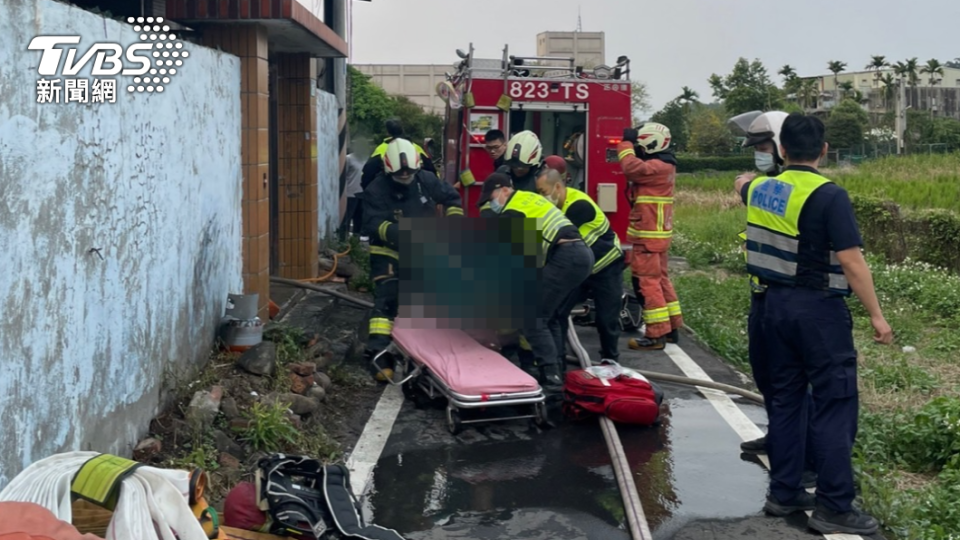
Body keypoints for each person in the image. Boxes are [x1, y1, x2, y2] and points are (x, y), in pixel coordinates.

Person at [736, 113, 892, 534]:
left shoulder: (762, 188)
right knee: (834, 402)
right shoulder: (829, 195)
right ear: (824, 150)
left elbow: (744, 186)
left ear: (781, 149)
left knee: (786, 400)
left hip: (770, 307)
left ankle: (784, 492)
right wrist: (877, 315)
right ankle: (834, 505)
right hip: (817, 311)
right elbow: (851, 261)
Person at [731, 111, 818, 490]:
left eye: (765, 148)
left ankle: (807, 457)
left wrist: (746, 186)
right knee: (767, 374)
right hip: (762, 295)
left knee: (795, 384)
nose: (760, 155)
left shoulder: (794, 188)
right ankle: (780, 437)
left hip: (792, 299)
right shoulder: (768, 183)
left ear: (784, 148)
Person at [477, 173, 594, 388]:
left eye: (490, 197)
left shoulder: (513, 212)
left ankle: (552, 382)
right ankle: (557, 372)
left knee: (532, 318)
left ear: (504, 189)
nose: (491, 203)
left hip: (566, 256)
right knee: (550, 317)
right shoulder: (529, 198)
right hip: (581, 254)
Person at [361, 138, 464, 381]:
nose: (405, 176)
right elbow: (373, 225)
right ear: (388, 169)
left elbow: (451, 199)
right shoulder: (376, 190)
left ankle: (427, 355)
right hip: (388, 252)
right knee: (387, 301)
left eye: (409, 172)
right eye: (400, 173)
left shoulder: (426, 180)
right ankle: (379, 355)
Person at [536, 168, 625, 363]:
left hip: (606, 266)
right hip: (582, 271)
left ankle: (611, 362)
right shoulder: (556, 207)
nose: (542, 198)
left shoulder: (578, 206)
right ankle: (558, 361)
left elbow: (554, 241)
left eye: (543, 192)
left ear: (558, 187)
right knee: (558, 311)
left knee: (606, 319)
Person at [616, 122, 683, 350]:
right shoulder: (666, 164)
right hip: (657, 235)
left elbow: (630, 167)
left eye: (641, 145)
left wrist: (625, 144)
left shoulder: (656, 166)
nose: (639, 149)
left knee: (648, 284)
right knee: (661, 280)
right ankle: (672, 328)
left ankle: (655, 335)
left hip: (647, 237)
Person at [361, 119, 435, 191]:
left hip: (389, 195)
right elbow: (431, 169)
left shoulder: (381, 150)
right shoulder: (415, 147)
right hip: (416, 193)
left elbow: (368, 174)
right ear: (402, 130)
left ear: (388, 132)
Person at [338, 151, 365, 242]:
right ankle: (343, 241)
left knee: (359, 219)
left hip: (362, 193)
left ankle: (355, 241)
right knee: (347, 218)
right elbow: (342, 174)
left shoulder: (366, 159)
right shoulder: (349, 158)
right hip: (350, 193)